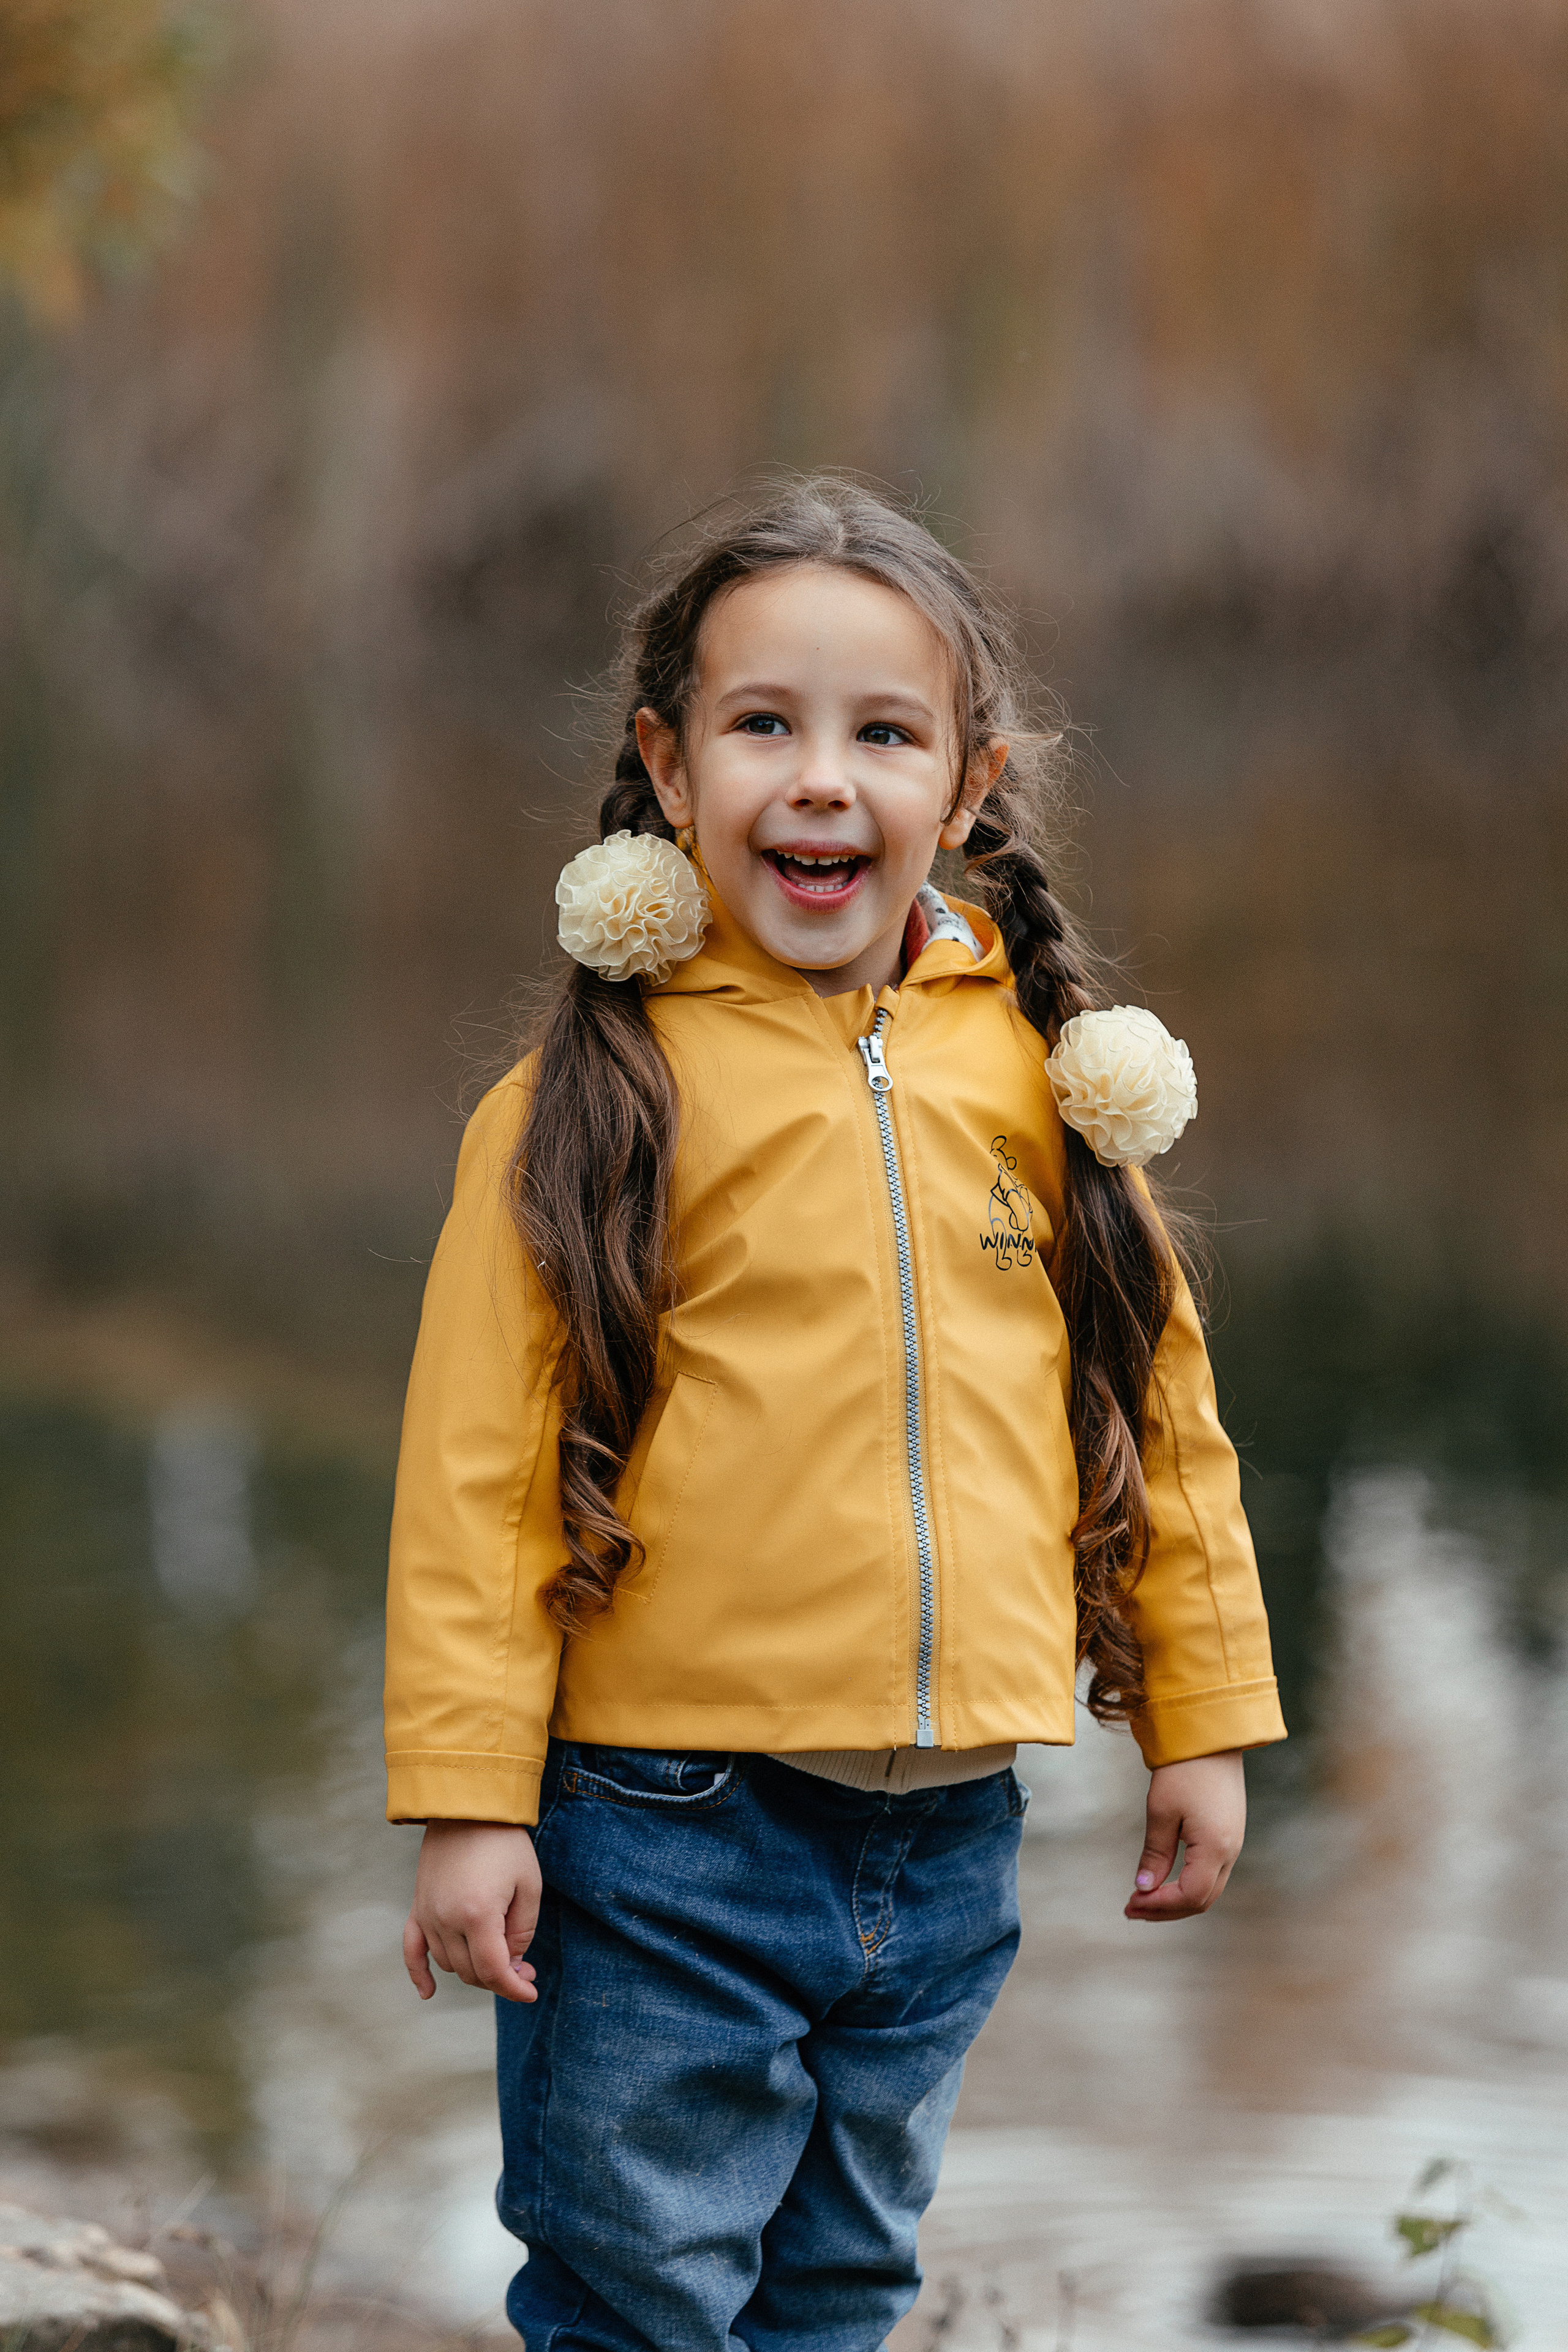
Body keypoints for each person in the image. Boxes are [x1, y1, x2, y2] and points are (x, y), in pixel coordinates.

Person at [384, 476, 1286, 2352]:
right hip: (661, 1829)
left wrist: (1200, 1720)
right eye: (762, 726)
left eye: (883, 735)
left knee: (845, 2290)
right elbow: (478, 1481)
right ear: (668, 763)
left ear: (968, 787)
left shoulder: (1044, 1088)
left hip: (952, 1839)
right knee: (640, 2294)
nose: (820, 780)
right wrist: (468, 1799)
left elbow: (1158, 1418)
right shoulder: (595, 1101)